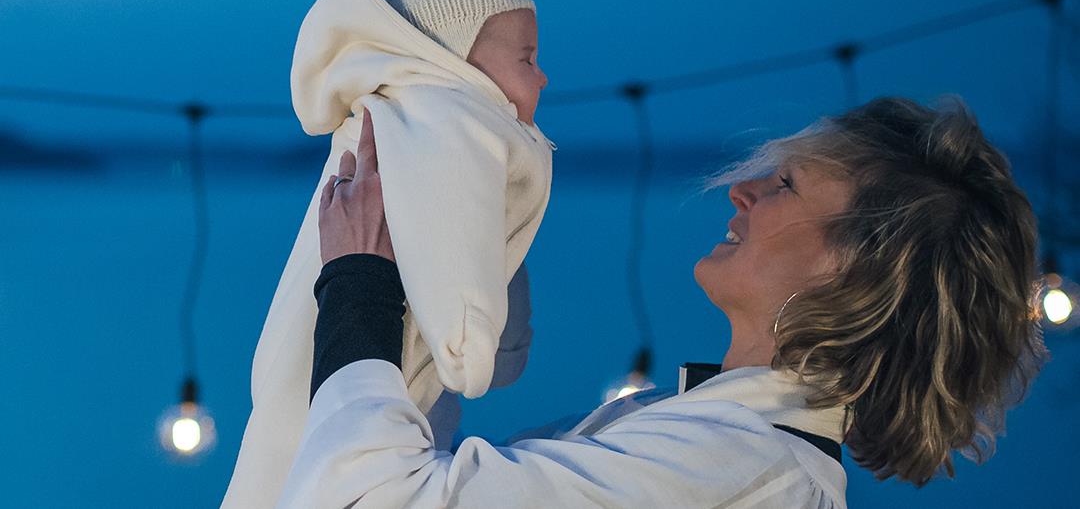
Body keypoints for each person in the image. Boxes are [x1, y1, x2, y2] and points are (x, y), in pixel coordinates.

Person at [277, 95, 1047, 508]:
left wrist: (360, 281)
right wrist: (462, 246)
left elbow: (372, 500)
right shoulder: (700, 435)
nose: (744, 189)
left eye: (785, 185)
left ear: (858, 272)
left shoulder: (742, 471)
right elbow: (441, 476)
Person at [222, 0, 554, 509]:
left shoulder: (403, 121)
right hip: (369, 392)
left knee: (273, 463)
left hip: (341, 365)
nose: (544, 77)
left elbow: (464, 246)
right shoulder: (449, 120)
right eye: (527, 58)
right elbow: (474, 349)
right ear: (452, 59)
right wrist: (469, 349)